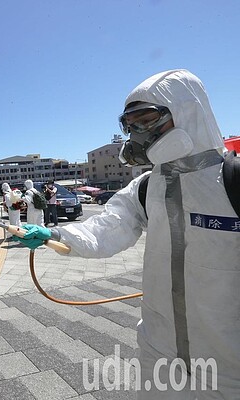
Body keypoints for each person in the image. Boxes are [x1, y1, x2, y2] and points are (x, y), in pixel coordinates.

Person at [15, 69, 239, 398]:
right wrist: (56, 236)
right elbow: (108, 228)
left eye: (147, 121)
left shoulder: (232, 182)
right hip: (159, 355)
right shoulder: (147, 187)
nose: (139, 134)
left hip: (229, 363)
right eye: (131, 126)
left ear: (187, 112)